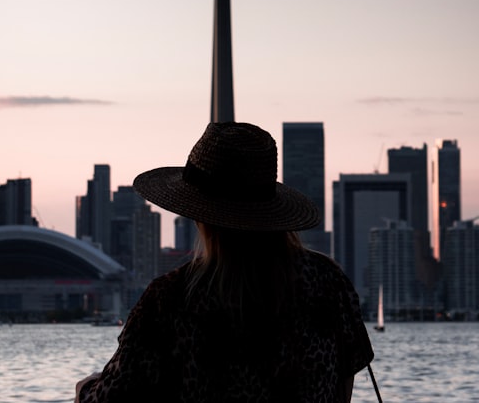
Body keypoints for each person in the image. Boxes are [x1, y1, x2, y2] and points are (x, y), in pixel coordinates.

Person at [75, 122, 374, 402]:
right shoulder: (328, 283)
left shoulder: (169, 300)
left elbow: (114, 397)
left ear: (198, 214)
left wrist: (86, 388)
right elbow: (343, 385)